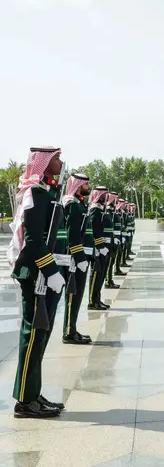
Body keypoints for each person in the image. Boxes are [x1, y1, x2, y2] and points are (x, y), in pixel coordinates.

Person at [7, 147, 67, 418]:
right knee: (32, 334)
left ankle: (33, 393)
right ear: (42, 164)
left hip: (41, 272)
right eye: (55, 158)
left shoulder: (46, 193)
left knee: (40, 334)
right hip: (35, 274)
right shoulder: (35, 194)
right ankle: (25, 400)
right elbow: (33, 239)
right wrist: (51, 270)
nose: (60, 162)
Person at [62, 173, 93, 344]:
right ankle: (68, 332)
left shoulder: (79, 203)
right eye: (86, 184)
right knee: (73, 294)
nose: (88, 187)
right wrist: (79, 257)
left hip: (79, 256)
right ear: (78, 184)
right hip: (74, 258)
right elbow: (72, 234)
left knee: (78, 294)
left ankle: (72, 329)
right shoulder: (73, 204)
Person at [87, 186, 111, 311]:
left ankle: (97, 299)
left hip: (103, 247)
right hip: (97, 248)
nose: (106, 196)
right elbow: (95, 230)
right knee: (96, 274)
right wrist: (100, 246)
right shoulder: (94, 210)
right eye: (104, 194)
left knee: (101, 274)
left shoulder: (101, 209)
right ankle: (92, 301)